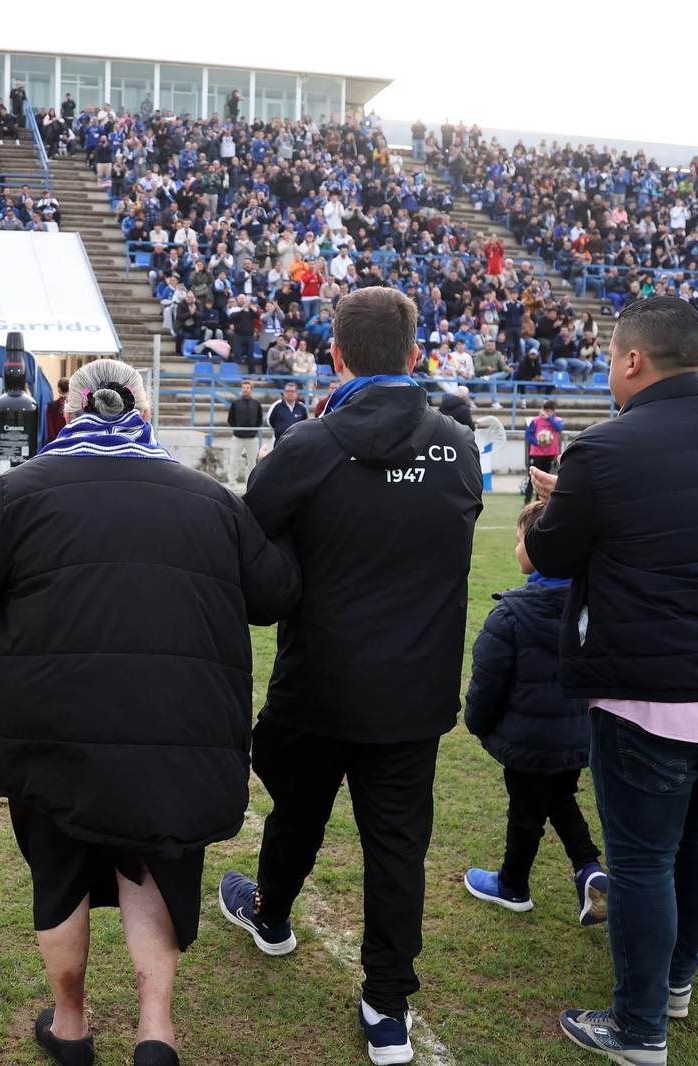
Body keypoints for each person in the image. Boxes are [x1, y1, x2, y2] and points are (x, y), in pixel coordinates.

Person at [0, 358, 299, 1066]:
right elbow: (275, 593)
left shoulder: (21, 491)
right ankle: (155, 1031)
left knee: (59, 867)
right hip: (181, 727)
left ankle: (72, 1024)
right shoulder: (209, 499)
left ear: (69, 410)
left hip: (54, 725)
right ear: (141, 409)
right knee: (157, 862)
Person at [523, 296, 698, 1064]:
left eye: (611, 358)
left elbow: (550, 556)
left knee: (643, 859)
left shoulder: (605, 449)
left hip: (657, 699)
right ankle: (675, 981)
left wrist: (561, 501)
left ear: (634, 359)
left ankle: (640, 1026)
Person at [219, 286, 482, 1066]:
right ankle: (383, 1003)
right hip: (408, 689)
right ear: (415, 354)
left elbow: (249, 549)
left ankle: (277, 918)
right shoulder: (455, 444)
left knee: (300, 812)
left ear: (334, 356)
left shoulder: (310, 444)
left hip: (323, 682)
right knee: (394, 844)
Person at [463, 499, 609, 924]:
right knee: (559, 796)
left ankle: (512, 885)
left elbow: (487, 680)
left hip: (528, 743)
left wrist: (476, 724)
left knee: (526, 812)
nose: (515, 548)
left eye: (519, 540)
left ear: (537, 547)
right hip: (576, 738)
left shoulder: (510, 614)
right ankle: (590, 869)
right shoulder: (597, 606)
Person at [225, 380, 265, 485]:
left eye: (247, 388)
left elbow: (260, 419)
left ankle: (250, 483)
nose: (245, 390)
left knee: (252, 462)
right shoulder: (236, 403)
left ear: (251, 390)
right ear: (241, 389)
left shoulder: (256, 403)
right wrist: (236, 428)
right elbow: (230, 418)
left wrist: (254, 430)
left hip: (252, 438)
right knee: (234, 461)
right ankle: (232, 482)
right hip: (237, 437)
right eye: (244, 388)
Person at [524, 400, 562, 504]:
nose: (546, 413)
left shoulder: (557, 420)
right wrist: (536, 442)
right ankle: (527, 500)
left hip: (549, 453)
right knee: (532, 477)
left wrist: (549, 419)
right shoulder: (536, 420)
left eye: (549, 411)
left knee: (545, 478)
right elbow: (528, 434)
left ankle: (540, 502)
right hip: (536, 453)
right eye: (545, 410)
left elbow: (559, 428)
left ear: (553, 411)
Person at [45, 378, 69, 443]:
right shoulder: (74, 407)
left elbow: (50, 429)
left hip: (56, 442)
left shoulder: (51, 406)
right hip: (70, 442)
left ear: (59, 389)